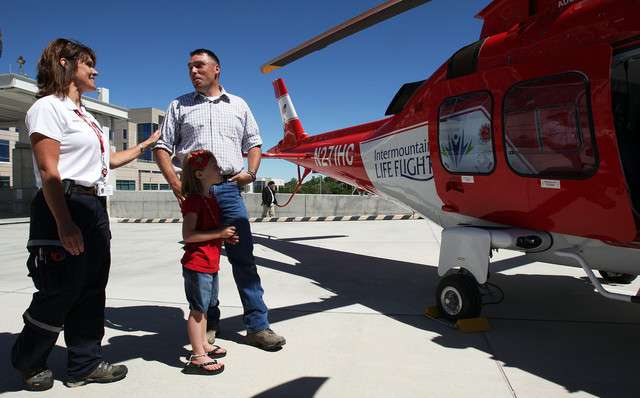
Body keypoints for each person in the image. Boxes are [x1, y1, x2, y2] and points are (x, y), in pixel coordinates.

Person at [10, 38, 160, 391]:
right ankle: (27, 359)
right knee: (59, 290)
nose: (96, 70)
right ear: (64, 64)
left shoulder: (86, 116)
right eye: (88, 63)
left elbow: (106, 162)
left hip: (94, 206)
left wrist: (144, 146)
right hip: (62, 204)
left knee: (92, 289)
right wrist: (64, 222)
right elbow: (49, 171)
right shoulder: (48, 107)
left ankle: (84, 363)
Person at [154, 48, 286, 350]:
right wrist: (176, 184)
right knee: (203, 262)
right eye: (189, 67)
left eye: (199, 66)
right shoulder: (179, 105)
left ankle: (257, 326)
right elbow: (162, 147)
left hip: (228, 190)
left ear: (217, 69)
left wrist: (251, 173)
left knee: (243, 260)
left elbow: (254, 143)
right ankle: (208, 325)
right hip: (196, 194)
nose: (193, 71)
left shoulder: (238, 105)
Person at [180, 149, 238, 375]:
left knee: (204, 309)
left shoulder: (209, 198)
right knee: (197, 310)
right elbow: (188, 235)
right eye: (214, 166)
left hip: (210, 263)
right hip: (197, 264)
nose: (219, 169)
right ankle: (197, 356)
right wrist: (219, 233)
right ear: (199, 174)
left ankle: (203, 344)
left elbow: (211, 230)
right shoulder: (195, 201)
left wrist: (224, 235)